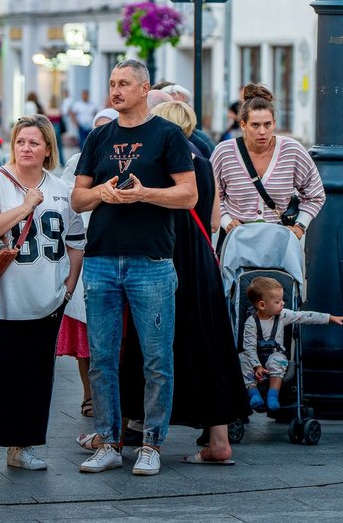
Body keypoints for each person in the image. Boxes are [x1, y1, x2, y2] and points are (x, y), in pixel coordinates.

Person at [72, 59, 197, 476]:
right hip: (102, 259)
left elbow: (188, 195)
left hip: (152, 261)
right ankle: (108, 441)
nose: (116, 90)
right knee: (103, 357)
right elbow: (77, 198)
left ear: (145, 88)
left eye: (124, 83)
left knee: (156, 358)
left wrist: (144, 194)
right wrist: (103, 193)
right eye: (112, 83)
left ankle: (151, 444)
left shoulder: (167, 135)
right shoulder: (99, 137)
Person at [112, 100, 248, 466]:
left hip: (165, 256)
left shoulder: (159, 161)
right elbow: (215, 219)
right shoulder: (202, 161)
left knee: (142, 345)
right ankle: (218, 440)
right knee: (207, 344)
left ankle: (116, 432)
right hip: (201, 263)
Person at [0, 115, 84, 478]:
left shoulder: (61, 189)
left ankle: (23, 446)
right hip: (0, 300)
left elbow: (75, 242)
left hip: (46, 301)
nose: (26, 148)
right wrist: (24, 207)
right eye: (20, 142)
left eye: (34, 142)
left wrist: (69, 286)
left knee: (36, 376)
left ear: (48, 149)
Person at [57, 108, 118, 419]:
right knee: (85, 333)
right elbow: (70, 198)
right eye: (99, 129)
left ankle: (115, 396)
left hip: (115, 247)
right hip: (85, 246)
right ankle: (89, 394)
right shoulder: (79, 160)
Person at [212, 84, 325, 241]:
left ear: (274, 123)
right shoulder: (224, 152)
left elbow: (315, 194)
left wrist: (299, 227)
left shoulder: (292, 150)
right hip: (236, 240)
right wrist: (227, 222)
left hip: (279, 240)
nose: (262, 132)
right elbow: (212, 194)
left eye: (267, 124)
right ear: (243, 125)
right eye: (255, 125)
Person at [239, 277, 343, 411]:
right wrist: (257, 366)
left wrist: (330, 318)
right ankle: (253, 393)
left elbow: (305, 316)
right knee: (242, 359)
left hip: (274, 354)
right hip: (254, 358)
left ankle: (272, 395)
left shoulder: (283, 315)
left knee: (278, 360)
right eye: (277, 301)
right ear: (262, 305)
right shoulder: (251, 322)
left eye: (282, 299)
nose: (283, 303)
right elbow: (249, 347)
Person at [159, 83, 216, 157]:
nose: (174, 111)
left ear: (188, 108)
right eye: (169, 106)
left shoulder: (203, 140)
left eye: (179, 106)